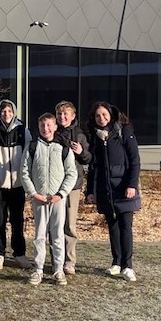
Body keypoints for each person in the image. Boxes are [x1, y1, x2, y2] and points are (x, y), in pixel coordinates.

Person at [84, 102, 141, 282]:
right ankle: (116, 262)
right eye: (97, 116)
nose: (101, 118)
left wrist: (131, 185)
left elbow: (135, 161)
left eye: (104, 114)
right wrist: (90, 191)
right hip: (105, 189)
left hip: (124, 188)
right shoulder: (95, 137)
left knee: (125, 225)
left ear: (111, 114)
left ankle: (128, 265)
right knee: (112, 226)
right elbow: (93, 166)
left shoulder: (124, 131)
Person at [20, 113, 78, 285]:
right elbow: (24, 172)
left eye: (48, 125)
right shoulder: (32, 147)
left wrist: (61, 194)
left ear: (55, 127)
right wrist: (33, 193)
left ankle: (58, 270)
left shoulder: (63, 148)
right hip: (39, 199)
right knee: (39, 235)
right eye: (42, 125)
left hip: (57, 199)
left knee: (58, 235)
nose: (45, 128)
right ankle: (38, 269)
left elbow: (71, 173)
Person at [0, 99, 29, 270]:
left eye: (9, 111)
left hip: (18, 185)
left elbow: (28, 156)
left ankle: (19, 254)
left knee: (17, 220)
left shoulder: (23, 131)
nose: (6, 114)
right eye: (3, 111)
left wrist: (24, 178)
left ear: (14, 112)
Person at [54, 101, 92, 275]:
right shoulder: (51, 131)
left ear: (73, 116)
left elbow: (88, 158)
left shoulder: (79, 134)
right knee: (54, 224)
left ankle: (69, 261)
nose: (62, 117)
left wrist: (81, 152)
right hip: (54, 185)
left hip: (73, 186)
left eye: (65, 114)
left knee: (69, 224)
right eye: (59, 114)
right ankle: (56, 259)